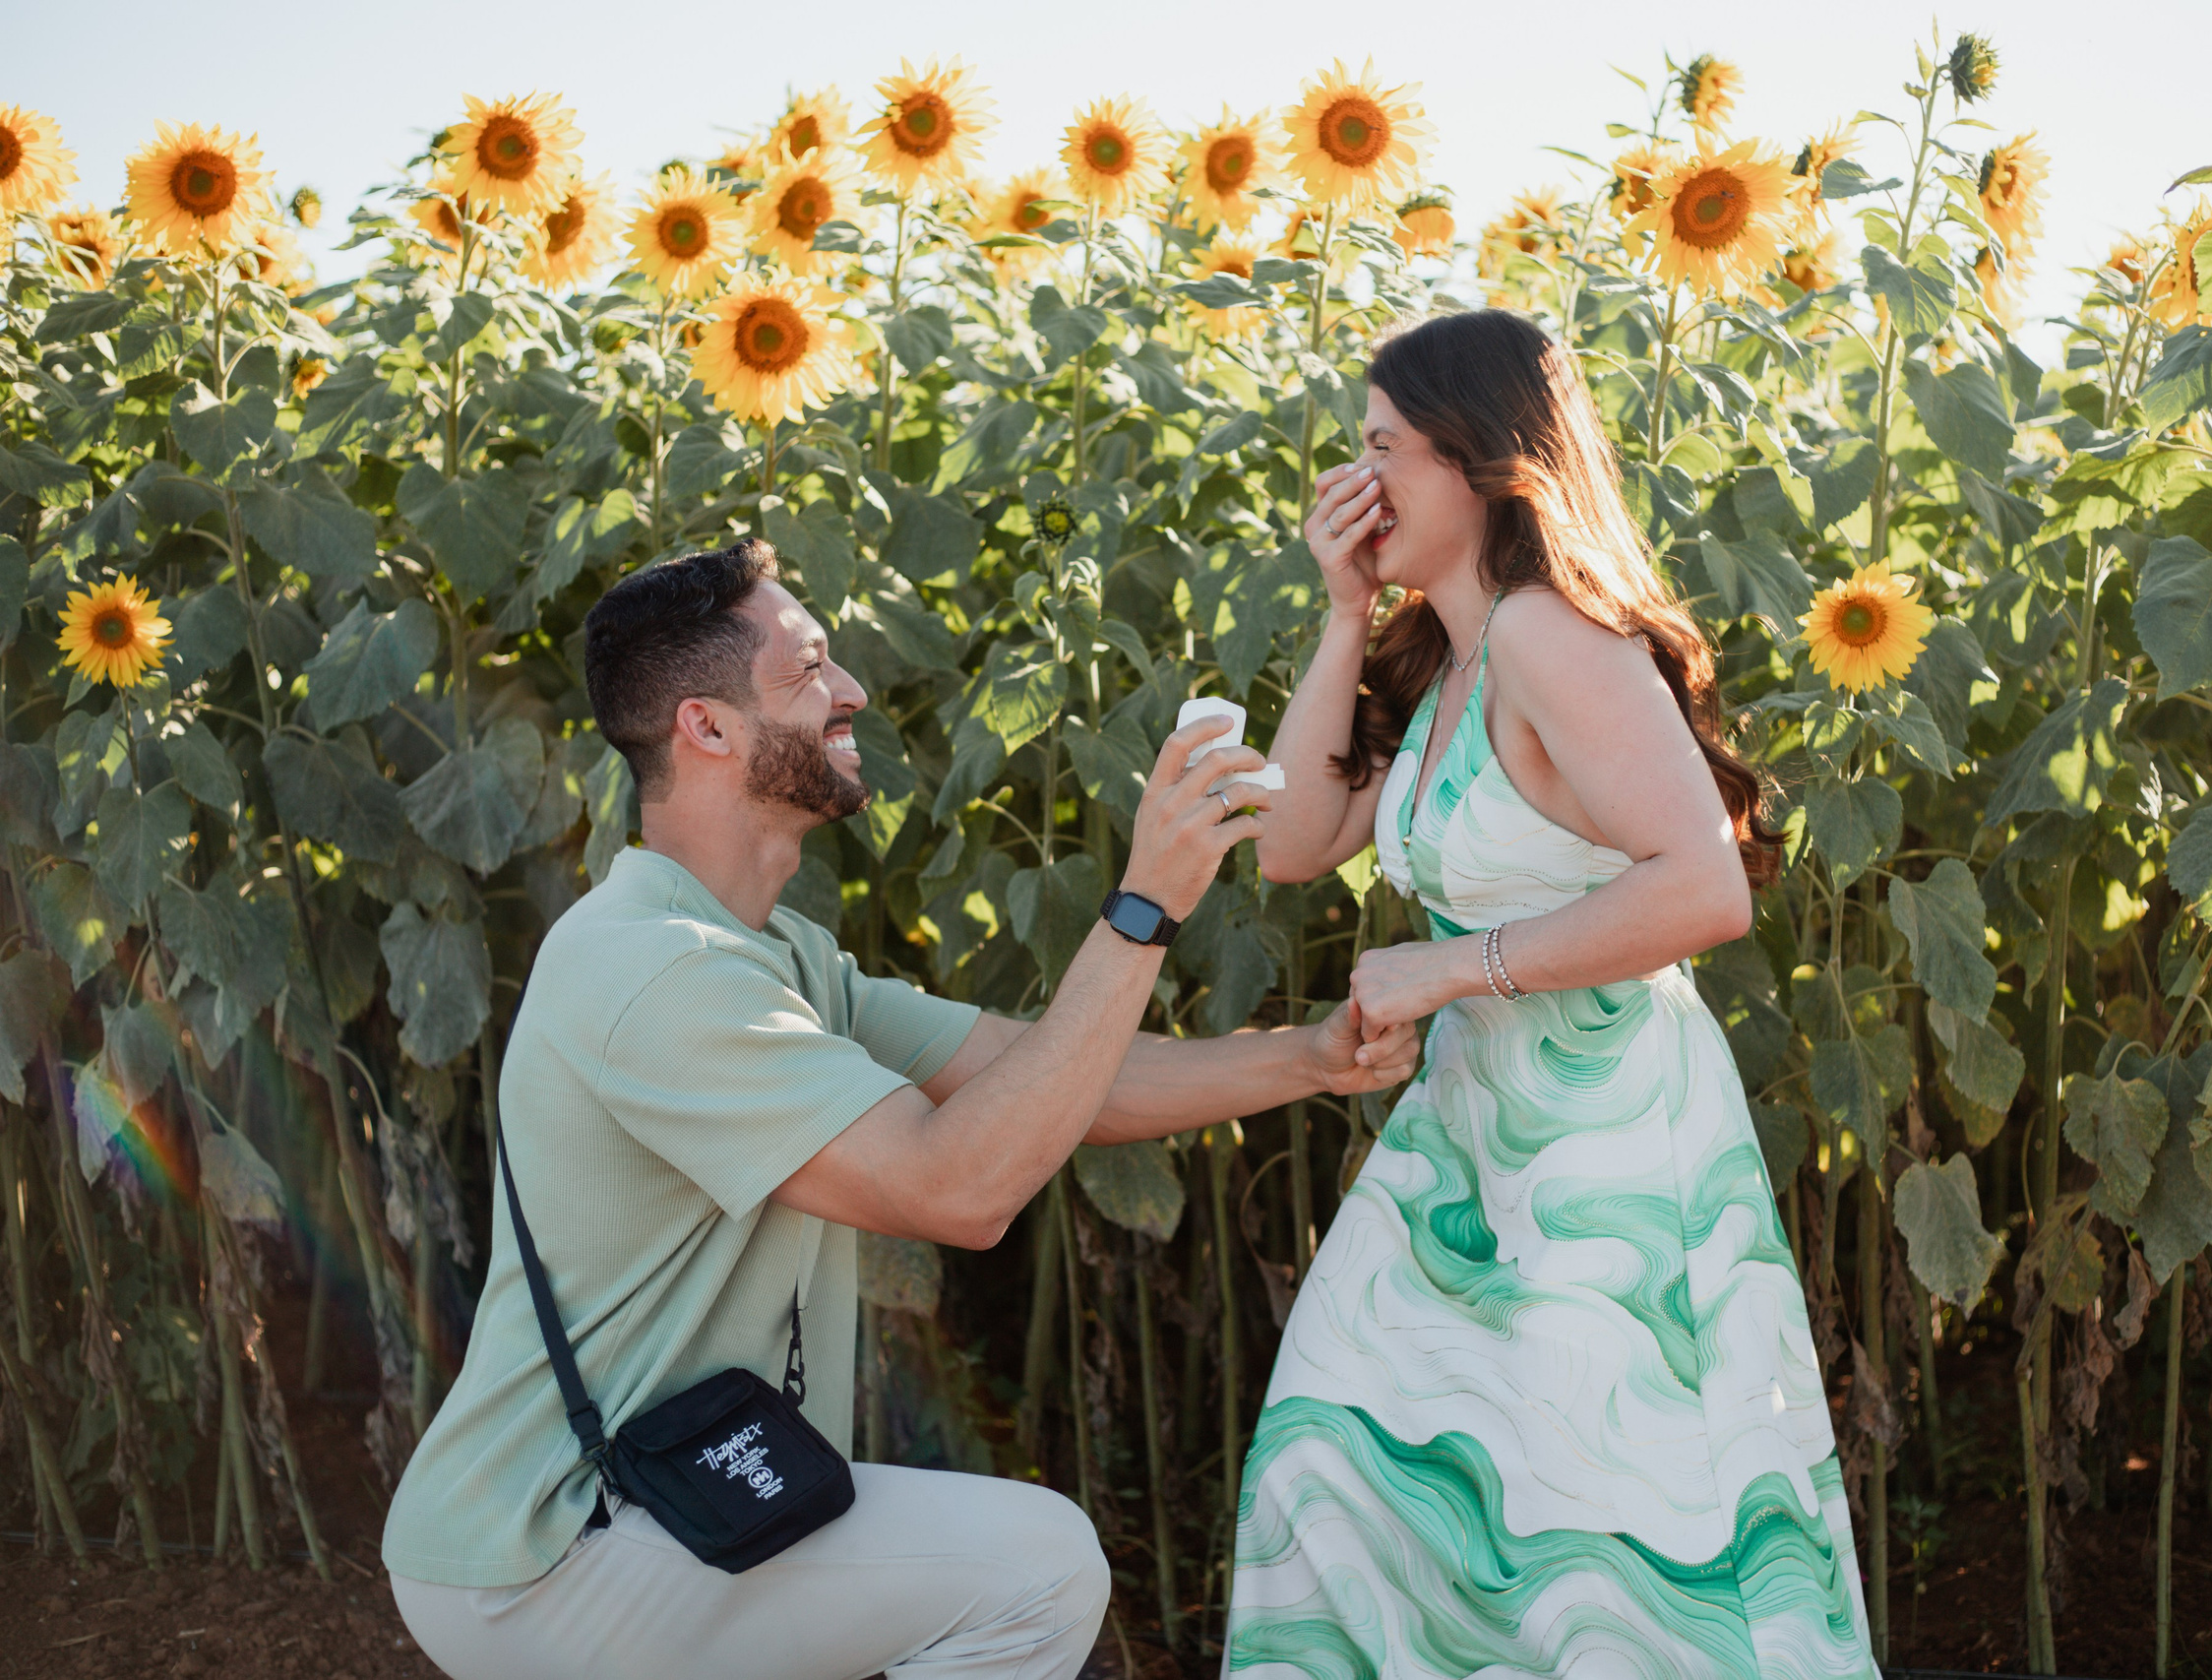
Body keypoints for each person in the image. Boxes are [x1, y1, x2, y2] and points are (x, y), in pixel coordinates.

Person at [382, 538, 1420, 1680]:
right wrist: (1142, 907)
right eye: (811, 669)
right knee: (1039, 1566)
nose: (853, 694)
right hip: (554, 1544)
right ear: (707, 727)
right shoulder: (660, 972)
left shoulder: (771, 952)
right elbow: (958, 1188)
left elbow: (1042, 1074)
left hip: (662, 1501)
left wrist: (1306, 1059)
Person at [1225, 310, 1875, 1678]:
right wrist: (1346, 610)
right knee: (1342, 1457)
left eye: (1387, 447)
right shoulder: (1447, 658)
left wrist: (1448, 966)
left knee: (1601, 1528)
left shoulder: (1548, 638)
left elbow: (1705, 889)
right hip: (1470, 1139)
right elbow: (1289, 845)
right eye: (1358, 448)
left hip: (1606, 1147)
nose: (1359, 480)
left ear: (1480, 460)